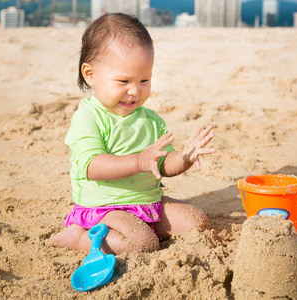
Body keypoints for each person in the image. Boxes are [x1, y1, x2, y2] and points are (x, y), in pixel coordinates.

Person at [48, 13, 215, 255]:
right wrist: (139, 161)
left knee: (196, 221)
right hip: (105, 208)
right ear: (90, 74)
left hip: (148, 204)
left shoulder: (151, 120)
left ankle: (138, 230)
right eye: (124, 81)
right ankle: (79, 237)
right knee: (144, 243)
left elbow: (163, 166)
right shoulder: (89, 116)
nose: (134, 91)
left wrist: (185, 157)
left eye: (144, 80)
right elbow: (92, 165)